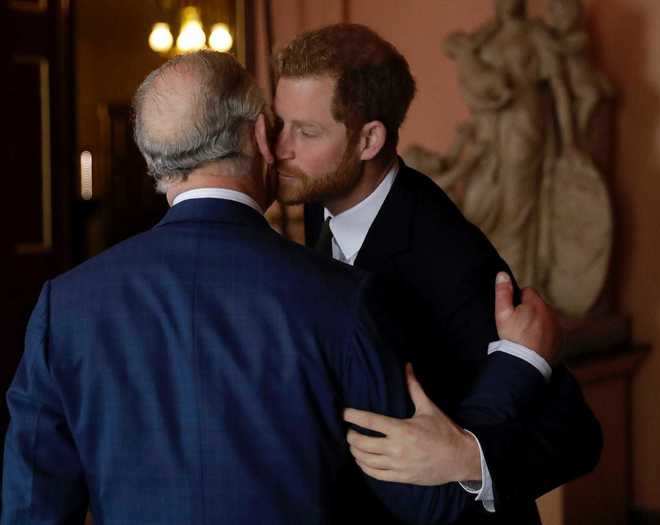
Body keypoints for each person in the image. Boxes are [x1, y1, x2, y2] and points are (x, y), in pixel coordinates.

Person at [2, 51, 552, 525]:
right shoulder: (341, 299)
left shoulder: (65, 305)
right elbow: (429, 503)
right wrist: (517, 365)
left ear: (155, 164)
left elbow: (32, 510)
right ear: (261, 135)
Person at [272, 23, 602, 524]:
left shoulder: (446, 253)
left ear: (369, 139)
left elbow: (576, 432)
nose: (280, 148)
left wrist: (467, 456)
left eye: (307, 131)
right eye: (281, 123)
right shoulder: (323, 201)